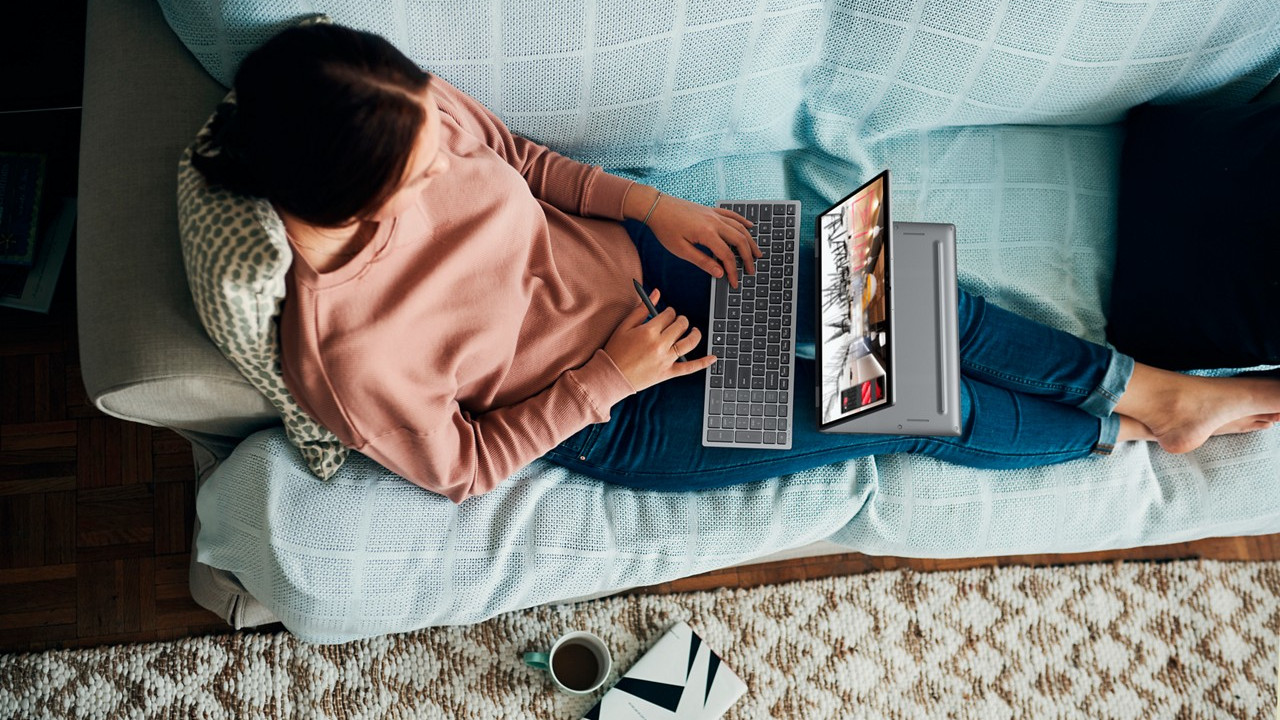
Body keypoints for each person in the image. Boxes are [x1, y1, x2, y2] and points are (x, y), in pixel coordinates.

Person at [192, 23, 1280, 503]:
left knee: (882, 291)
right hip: (619, 410)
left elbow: (521, 159)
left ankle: (1142, 389)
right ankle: (1107, 431)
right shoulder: (347, 352)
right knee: (884, 398)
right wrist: (603, 377)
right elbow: (466, 469)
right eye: (425, 170)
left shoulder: (400, 106)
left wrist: (653, 207)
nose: (451, 152)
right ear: (358, 200)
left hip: (648, 268)